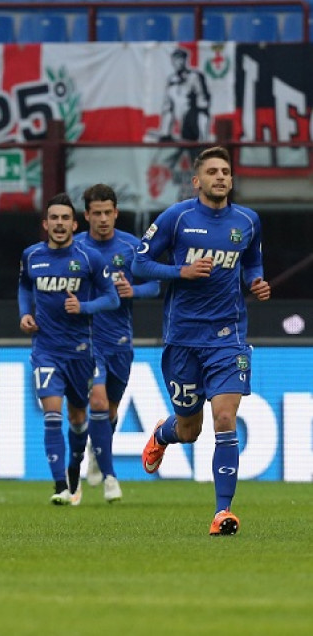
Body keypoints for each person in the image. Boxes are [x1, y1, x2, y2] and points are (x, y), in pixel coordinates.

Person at [133, 146, 270, 536]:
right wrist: (182, 270)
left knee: (225, 417)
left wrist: (254, 282)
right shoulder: (177, 218)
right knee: (190, 430)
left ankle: (222, 513)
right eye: (212, 171)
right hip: (183, 339)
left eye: (225, 171)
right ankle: (163, 433)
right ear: (197, 180)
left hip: (229, 337)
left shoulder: (247, 220)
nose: (221, 177)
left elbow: (253, 262)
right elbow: (138, 263)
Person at [18, 193, 119, 505]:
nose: (59, 224)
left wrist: (84, 306)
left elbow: (112, 298)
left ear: (75, 224)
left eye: (65, 219)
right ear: (45, 224)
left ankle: (74, 473)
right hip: (46, 349)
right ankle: (60, 485)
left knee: (78, 418)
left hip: (81, 352)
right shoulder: (32, 256)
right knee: (52, 414)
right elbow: (24, 286)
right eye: (54, 219)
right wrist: (24, 314)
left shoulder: (89, 259)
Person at [73, 184, 160, 504]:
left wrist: (132, 292)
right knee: (96, 401)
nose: (103, 219)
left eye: (108, 212)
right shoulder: (76, 248)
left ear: (116, 213)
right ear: (86, 216)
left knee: (110, 408)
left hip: (120, 340)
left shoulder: (131, 246)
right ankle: (111, 480)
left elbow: (154, 286)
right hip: (87, 339)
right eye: (97, 213)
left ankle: (99, 452)